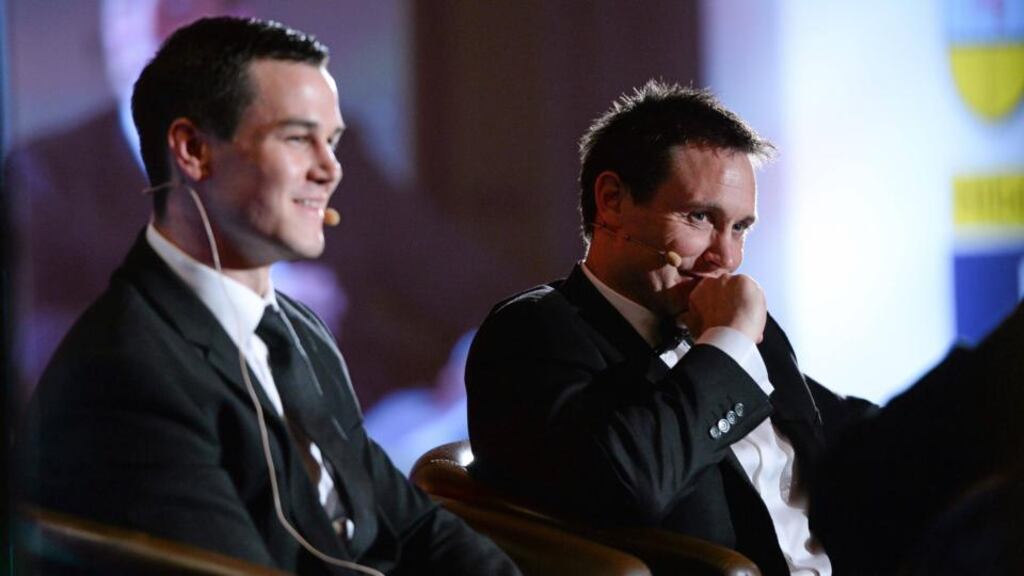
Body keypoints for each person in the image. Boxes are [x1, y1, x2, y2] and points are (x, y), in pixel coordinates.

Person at [16, 16, 519, 576]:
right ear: (194, 153)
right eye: (297, 138)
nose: (330, 170)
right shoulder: (137, 367)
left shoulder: (299, 333)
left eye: (330, 141)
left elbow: (413, 523)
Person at [465, 81, 877, 575]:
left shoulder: (727, 316)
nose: (726, 257)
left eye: (741, 227)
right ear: (612, 200)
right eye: (700, 217)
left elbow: (836, 432)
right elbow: (623, 484)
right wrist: (727, 345)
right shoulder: (532, 331)